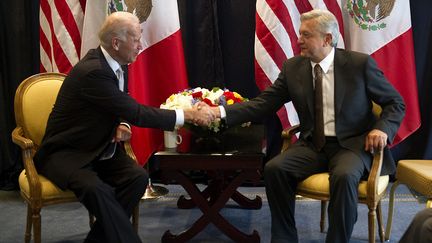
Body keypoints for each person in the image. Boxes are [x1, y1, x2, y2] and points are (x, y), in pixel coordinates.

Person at [205, 9, 405, 243]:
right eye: (300, 34)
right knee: (275, 169)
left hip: (352, 145)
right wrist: (217, 112)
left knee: (343, 176)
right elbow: (262, 105)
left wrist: (382, 128)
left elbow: (395, 103)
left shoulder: (359, 65)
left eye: (306, 35)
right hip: (313, 145)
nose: (298, 40)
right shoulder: (293, 68)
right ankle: (284, 238)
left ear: (327, 39)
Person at [33, 11, 213, 243]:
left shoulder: (118, 63)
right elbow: (137, 112)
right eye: (136, 39)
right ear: (116, 43)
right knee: (97, 190)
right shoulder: (94, 72)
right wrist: (187, 115)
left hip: (100, 148)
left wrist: (122, 123)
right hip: (67, 153)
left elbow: (119, 106)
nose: (140, 45)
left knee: (137, 178)